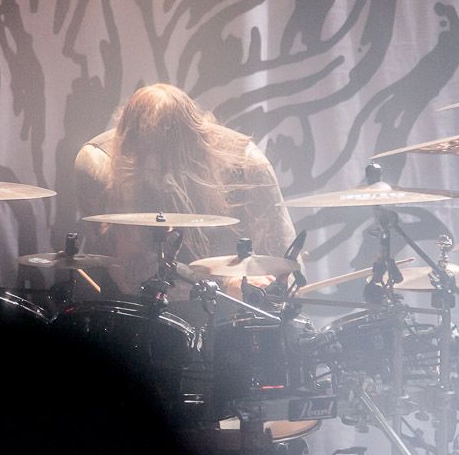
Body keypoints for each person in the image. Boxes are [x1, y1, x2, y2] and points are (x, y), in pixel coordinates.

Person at [74, 83, 297, 298]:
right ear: (133, 149)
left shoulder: (245, 159)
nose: (168, 172)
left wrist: (271, 287)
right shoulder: (101, 160)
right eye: (157, 155)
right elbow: (130, 276)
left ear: (196, 139)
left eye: (175, 155)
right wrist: (223, 284)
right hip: (146, 307)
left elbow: (284, 255)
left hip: (230, 307)